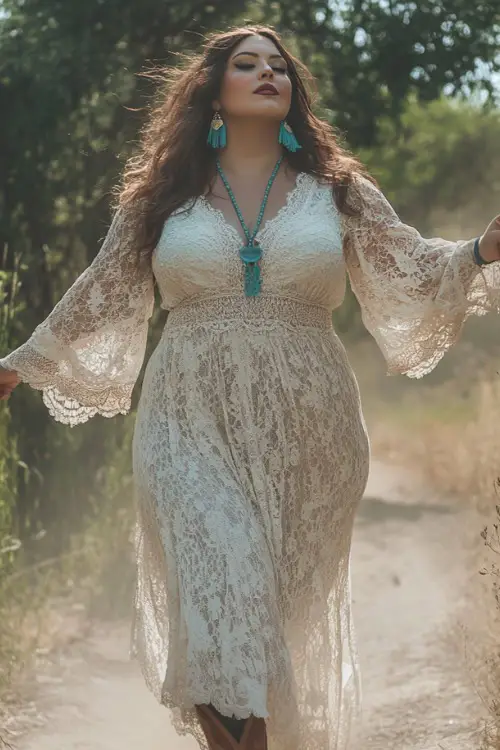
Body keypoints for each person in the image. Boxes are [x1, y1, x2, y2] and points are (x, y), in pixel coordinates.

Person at [1, 23, 499, 750]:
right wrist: (17, 362)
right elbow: (98, 292)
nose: (269, 74)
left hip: (313, 431)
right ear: (213, 90)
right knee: (222, 596)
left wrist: (482, 251)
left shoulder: (340, 192)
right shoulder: (160, 200)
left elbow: (415, 270)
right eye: (247, 64)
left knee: (265, 635)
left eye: (279, 67)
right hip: (186, 420)